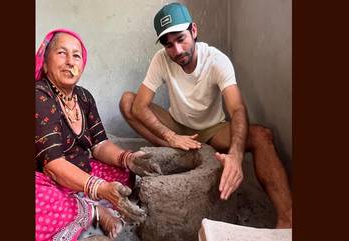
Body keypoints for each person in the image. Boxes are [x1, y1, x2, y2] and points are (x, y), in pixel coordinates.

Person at [119, 2, 292, 228]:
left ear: (194, 30)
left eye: (181, 39)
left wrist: (236, 156)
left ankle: (288, 219)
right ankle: (178, 151)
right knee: (128, 101)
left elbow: (237, 108)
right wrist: (170, 137)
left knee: (261, 136)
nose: (177, 50)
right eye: (169, 44)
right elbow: (139, 106)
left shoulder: (216, 60)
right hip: (176, 125)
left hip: (212, 130)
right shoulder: (162, 59)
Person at [35, 29, 160, 241]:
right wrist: (99, 188)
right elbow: (53, 165)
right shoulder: (39, 95)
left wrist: (127, 158)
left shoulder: (83, 97)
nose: (69, 61)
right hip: (45, 181)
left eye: (76, 55)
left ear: (82, 66)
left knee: (125, 173)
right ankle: (92, 212)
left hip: (79, 173)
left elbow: (100, 145)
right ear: (45, 63)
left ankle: (82, 204)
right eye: (61, 53)